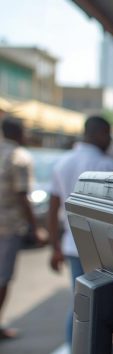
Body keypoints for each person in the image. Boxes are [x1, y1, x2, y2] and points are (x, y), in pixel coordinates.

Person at [48, 116, 113, 347]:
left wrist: (55, 247)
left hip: (72, 245)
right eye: (109, 134)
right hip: (103, 247)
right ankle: (99, 351)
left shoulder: (62, 163)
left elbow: (53, 209)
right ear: (99, 133)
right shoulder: (107, 165)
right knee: (109, 302)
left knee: (81, 302)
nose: (110, 140)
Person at [0, 117, 40, 340]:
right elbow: (22, 196)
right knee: (3, 277)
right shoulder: (19, 157)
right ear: (17, 132)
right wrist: (36, 229)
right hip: (8, 227)